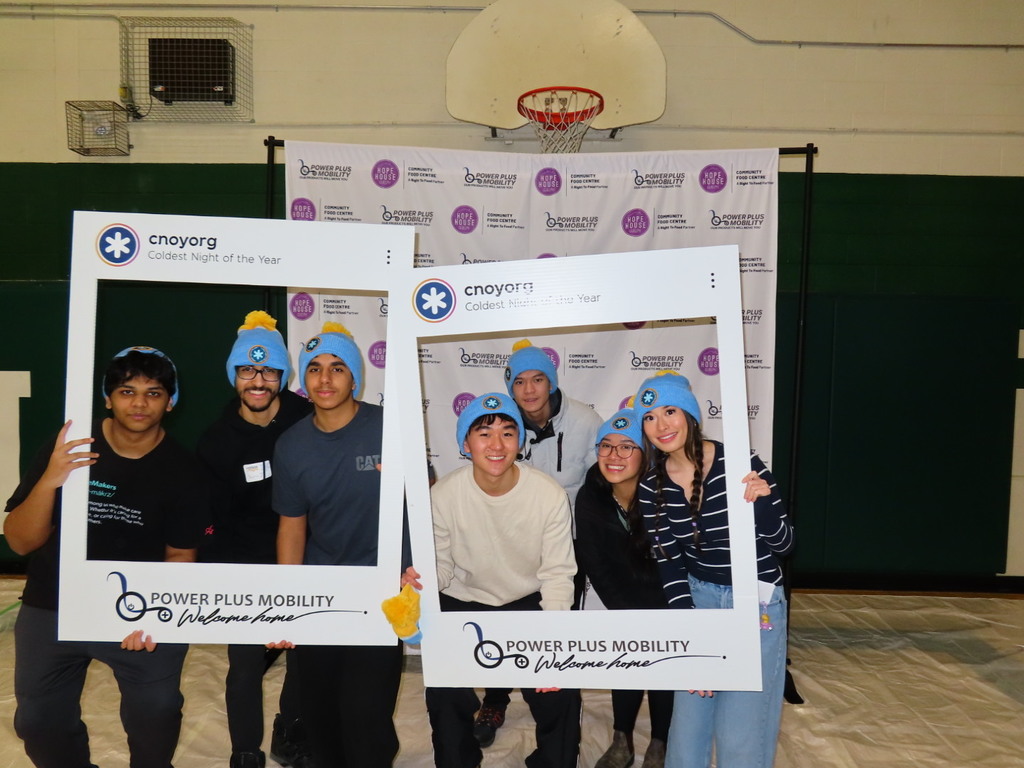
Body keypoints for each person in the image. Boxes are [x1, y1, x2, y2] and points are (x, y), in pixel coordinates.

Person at [3, 346, 209, 768]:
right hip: (55, 602)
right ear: (107, 397)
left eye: (153, 393)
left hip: (140, 609)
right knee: (38, 721)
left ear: (171, 402)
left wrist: (150, 614)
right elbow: (19, 543)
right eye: (126, 390)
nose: (138, 403)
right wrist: (50, 480)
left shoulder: (185, 471)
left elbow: (181, 555)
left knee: (157, 714)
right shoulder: (69, 448)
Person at [633, 372, 794, 768]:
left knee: (742, 735)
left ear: (689, 414)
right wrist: (693, 637)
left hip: (756, 603)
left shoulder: (738, 461)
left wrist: (763, 502)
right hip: (699, 599)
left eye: (669, 411)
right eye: (649, 417)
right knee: (686, 738)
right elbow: (670, 566)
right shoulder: (651, 485)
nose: (662, 424)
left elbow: (786, 544)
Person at [271, 322, 404, 768]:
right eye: (315, 369)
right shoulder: (291, 446)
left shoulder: (390, 429)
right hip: (321, 594)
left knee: (366, 714)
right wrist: (288, 601)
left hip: (381, 593)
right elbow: (292, 527)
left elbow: (423, 506)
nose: (325, 379)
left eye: (337, 368)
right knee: (320, 710)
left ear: (355, 379)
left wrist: (410, 572)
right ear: (303, 379)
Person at [425, 392, 580, 768]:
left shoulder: (548, 495)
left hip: (529, 600)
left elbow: (559, 575)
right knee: (442, 693)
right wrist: (420, 583)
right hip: (463, 598)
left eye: (508, 433)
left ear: (521, 441)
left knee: (559, 692)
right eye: (483, 434)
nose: (496, 445)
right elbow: (441, 570)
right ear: (466, 443)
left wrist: (555, 647)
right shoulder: (443, 495)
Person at [197, 311, 313, 768]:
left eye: (268, 371)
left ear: (282, 375)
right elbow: (211, 524)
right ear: (235, 376)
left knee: (304, 656)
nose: (258, 381)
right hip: (245, 565)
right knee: (244, 665)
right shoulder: (216, 442)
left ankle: (292, 730)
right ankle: (245, 749)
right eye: (248, 370)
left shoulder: (308, 419)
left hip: (308, 558)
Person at [473, 339, 603, 747]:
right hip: (513, 541)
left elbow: (600, 484)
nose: (529, 390)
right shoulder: (503, 425)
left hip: (569, 541)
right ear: (509, 387)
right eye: (520, 382)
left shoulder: (585, 420)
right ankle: (494, 699)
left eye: (538, 379)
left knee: (558, 619)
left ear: (552, 382)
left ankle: (562, 696)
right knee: (500, 618)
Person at [574, 408, 673, 768]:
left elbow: (677, 562)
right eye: (606, 446)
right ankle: (622, 740)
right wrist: (625, 613)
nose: (614, 456)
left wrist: (666, 613)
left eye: (627, 447)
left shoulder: (668, 493)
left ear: (647, 454)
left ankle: (660, 742)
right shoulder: (590, 496)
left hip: (669, 599)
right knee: (627, 660)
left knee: (666, 664)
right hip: (622, 601)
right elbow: (594, 562)